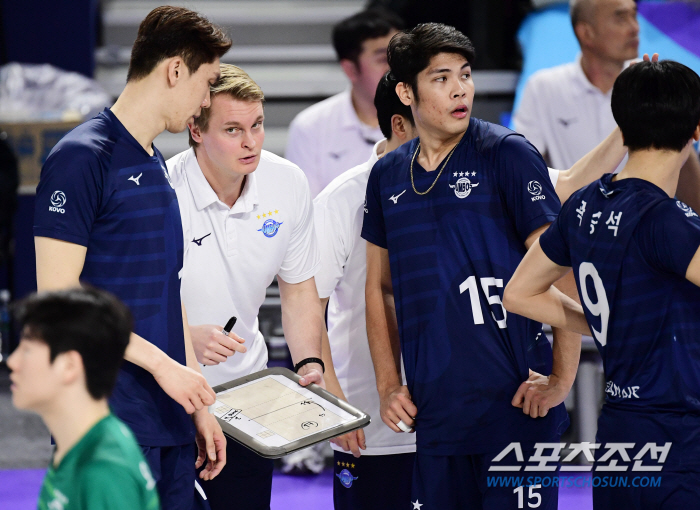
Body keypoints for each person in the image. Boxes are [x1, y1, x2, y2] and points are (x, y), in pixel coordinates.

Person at [361, 23, 581, 510]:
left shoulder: (506, 153)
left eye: (464, 74)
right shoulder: (387, 174)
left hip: (517, 413)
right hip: (437, 417)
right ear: (405, 90)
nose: (460, 88)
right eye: (441, 78)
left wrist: (562, 380)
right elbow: (379, 288)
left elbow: (558, 267)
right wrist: (387, 383)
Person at [32, 7, 231, 509]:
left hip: (170, 420)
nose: (206, 102)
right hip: (108, 420)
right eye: (207, 84)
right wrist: (166, 367)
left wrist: (198, 399)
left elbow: (170, 286)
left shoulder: (154, 161)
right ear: (175, 70)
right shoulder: (81, 158)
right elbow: (58, 298)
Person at [504, 60, 700, 508]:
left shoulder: (584, 205)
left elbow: (519, 293)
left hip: (618, 435)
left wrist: (604, 323)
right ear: (695, 129)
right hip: (679, 433)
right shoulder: (669, 223)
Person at [167, 64, 326, 510]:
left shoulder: (287, 181)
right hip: (169, 398)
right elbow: (128, 298)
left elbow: (297, 288)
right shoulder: (162, 189)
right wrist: (185, 336)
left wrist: (309, 360)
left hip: (248, 398)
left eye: (256, 125)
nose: (251, 141)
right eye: (232, 129)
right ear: (196, 130)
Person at [314, 72, 418, 510]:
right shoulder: (342, 198)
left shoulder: (468, 184)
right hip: (368, 421)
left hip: (453, 416)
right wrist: (334, 402)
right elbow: (307, 309)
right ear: (400, 123)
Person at [8, 287, 160, 510]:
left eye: (27, 350)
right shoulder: (79, 443)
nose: (12, 361)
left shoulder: (104, 470)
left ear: (69, 366)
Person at [285, 9, 403, 197]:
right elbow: (305, 210)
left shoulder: (425, 116)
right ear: (350, 69)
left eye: (400, 56)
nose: (396, 68)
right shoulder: (310, 127)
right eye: (383, 59)